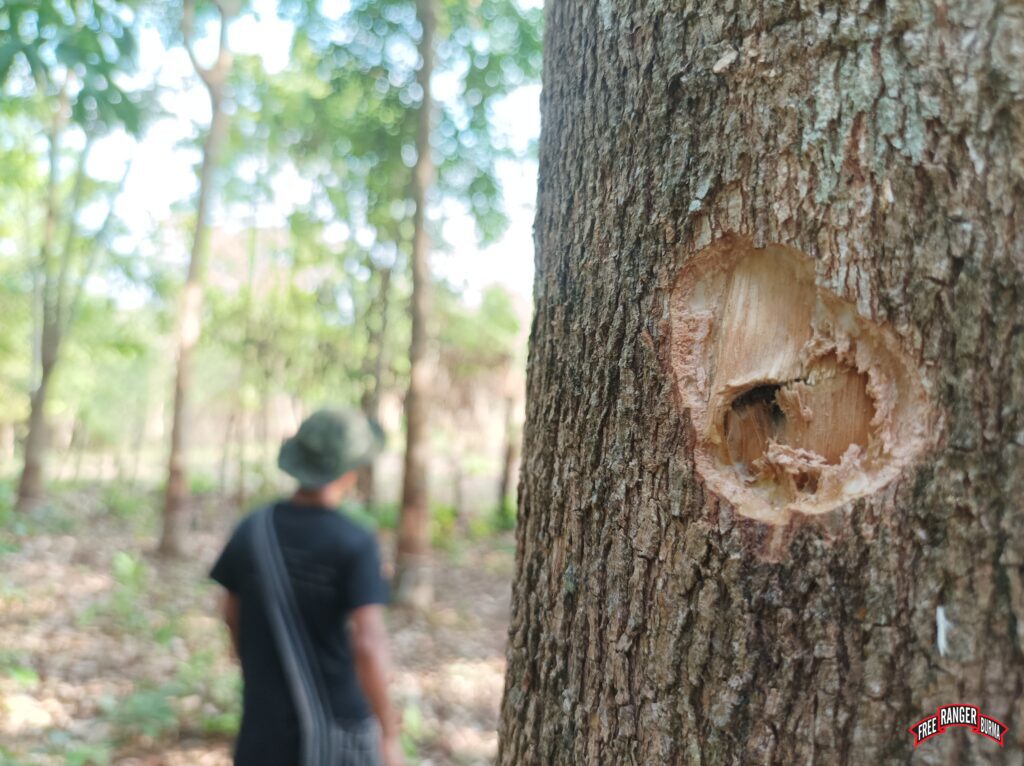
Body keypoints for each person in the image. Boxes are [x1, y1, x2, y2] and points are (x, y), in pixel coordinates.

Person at [210, 408, 403, 766]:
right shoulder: (355, 542)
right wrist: (388, 735)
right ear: (349, 473)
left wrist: (258, 671)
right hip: (335, 734)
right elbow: (368, 643)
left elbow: (230, 613)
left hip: (261, 727)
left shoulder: (253, 529)